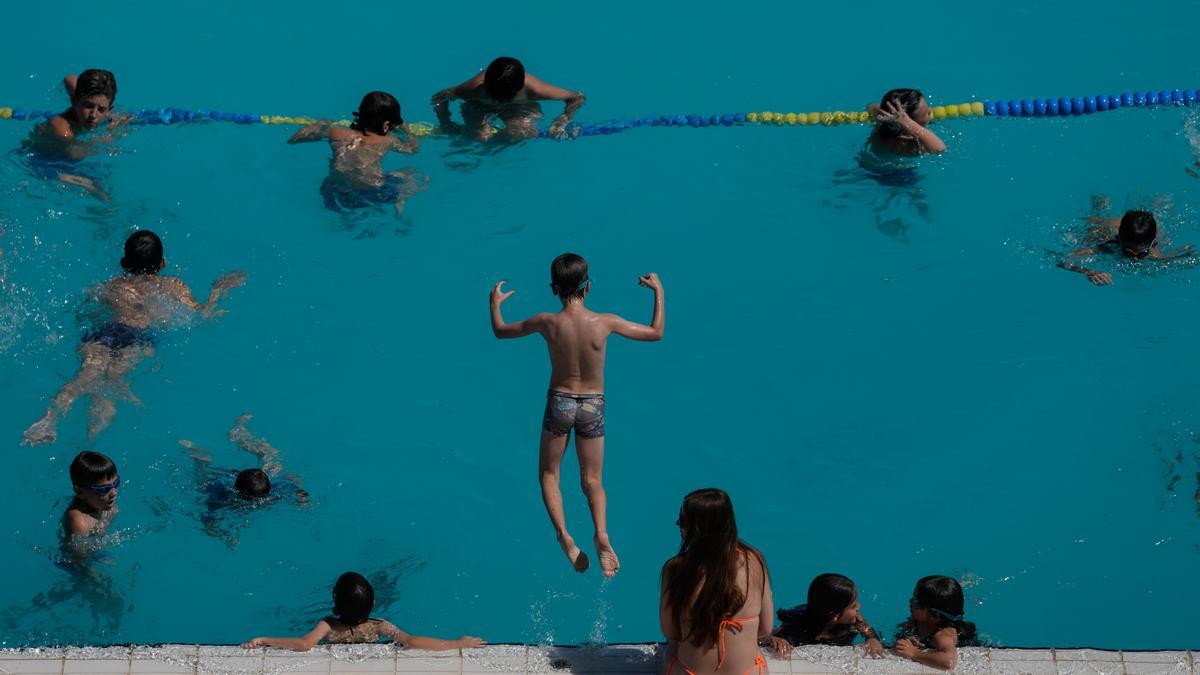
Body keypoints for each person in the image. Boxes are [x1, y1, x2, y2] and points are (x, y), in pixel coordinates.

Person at [490, 253, 665, 577]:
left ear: (553, 289)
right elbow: (655, 333)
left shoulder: (547, 322)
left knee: (549, 475)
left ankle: (565, 537)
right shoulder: (606, 322)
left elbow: (500, 331)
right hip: (593, 404)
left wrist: (495, 302)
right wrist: (658, 291)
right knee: (593, 480)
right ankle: (601, 534)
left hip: (560, 402)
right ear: (588, 286)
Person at [22, 231, 245, 446]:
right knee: (111, 383)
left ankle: (49, 419)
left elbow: (86, 311)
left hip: (106, 332)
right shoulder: (173, 286)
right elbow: (202, 314)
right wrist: (219, 289)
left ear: (123, 263)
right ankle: (90, 442)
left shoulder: (112, 284)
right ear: (163, 263)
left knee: (84, 377)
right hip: (139, 338)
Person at [659, 489, 774, 675]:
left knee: (670, 648)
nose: (677, 524)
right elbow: (765, 628)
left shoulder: (675, 568)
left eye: (682, 520)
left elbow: (671, 632)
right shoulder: (755, 561)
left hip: (689, 672)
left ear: (695, 529)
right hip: (748, 673)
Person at [240, 572, 485, 651]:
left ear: (335, 601)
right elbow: (412, 641)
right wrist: (457, 644)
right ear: (374, 603)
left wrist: (264, 639)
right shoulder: (378, 625)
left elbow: (305, 644)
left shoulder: (329, 625)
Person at [288, 92, 424, 216]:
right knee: (415, 175)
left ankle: (343, 216)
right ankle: (398, 204)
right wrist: (408, 131)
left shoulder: (335, 133)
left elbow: (294, 140)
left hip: (338, 194)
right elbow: (412, 149)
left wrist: (320, 124)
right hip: (374, 194)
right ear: (386, 126)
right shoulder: (388, 140)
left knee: (328, 182)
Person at [182, 413, 309, 541]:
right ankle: (202, 461)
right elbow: (208, 523)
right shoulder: (219, 493)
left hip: (245, 478)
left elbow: (292, 481)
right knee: (201, 484)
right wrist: (226, 535)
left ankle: (238, 431)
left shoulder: (270, 491)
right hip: (220, 478)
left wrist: (302, 499)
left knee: (272, 457)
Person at [22, 69, 131, 200]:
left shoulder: (83, 98)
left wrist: (111, 116)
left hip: (62, 155)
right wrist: (113, 135)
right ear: (74, 101)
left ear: (109, 109)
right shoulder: (62, 128)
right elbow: (74, 153)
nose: (94, 115)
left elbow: (70, 78)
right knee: (96, 188)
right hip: (42, 163)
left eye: (101, 109)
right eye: (88, 106)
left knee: (104, 179)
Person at [432, 57, 584, 141]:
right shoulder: (472, 90)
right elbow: (440, 96)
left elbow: (577, 97)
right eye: (493, 95)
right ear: (484, 84)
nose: (498, 102)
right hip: (479, 105)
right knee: (477, 137)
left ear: (519, 89)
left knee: (521, 134)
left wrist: (564, 118)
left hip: (517, 108)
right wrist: (446, 122)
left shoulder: (535, 90)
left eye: (504, 98)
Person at [1058, 209, 1193, 285]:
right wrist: (1090, 272)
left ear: (1153, 244)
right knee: (1096, 222)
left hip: (1141, 232)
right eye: (1128, 252)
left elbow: (1169, 260)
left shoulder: (1154, 253)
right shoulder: (1107, 247)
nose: (1134, 259)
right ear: (1118, 241)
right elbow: (1063, 261)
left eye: (1141, 254)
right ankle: (1100, 205)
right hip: (1109, 228)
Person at [774, 574, 884, 657]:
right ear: (834, 616)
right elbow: (768, 636)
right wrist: (773, 639)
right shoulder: (797, 629)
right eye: (853, 606)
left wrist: (872, 639)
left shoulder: (854, 622)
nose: (859, 607)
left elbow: (866, 628)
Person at [891, 575, 978, 671]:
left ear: (935, 615)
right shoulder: (920, 620)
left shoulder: (943, 634)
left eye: (916, 603)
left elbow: (948, 662)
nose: (910, 602)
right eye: (913, 598)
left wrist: (914, 653)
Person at [866, 89, 946, 156]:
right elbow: (940, 148)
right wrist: (909, 124)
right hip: (889, 174)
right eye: (926, 113)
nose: (930, 111)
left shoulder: (883, 119)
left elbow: (870, 106)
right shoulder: (899, 144)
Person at [63, 451, 120, 538]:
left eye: (116, 483)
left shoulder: (103, 501)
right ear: (80, 492)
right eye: (104, 489)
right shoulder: (80, 523)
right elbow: (77, 552)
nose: (113, 492)